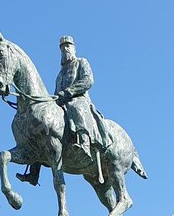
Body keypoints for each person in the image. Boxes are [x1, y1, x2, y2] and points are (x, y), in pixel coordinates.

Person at [17, 35, 107, 186]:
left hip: (78, 99)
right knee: (43, 125)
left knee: (76, 108)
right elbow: (57, 91)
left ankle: (84, 144)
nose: (65, 49)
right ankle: (34, 173)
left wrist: (69, 92)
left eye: (68, 46)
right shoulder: (60, 73)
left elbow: (87, 81)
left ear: (74, 48)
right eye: (62, 47)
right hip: (62, 103)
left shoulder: (81, 62)